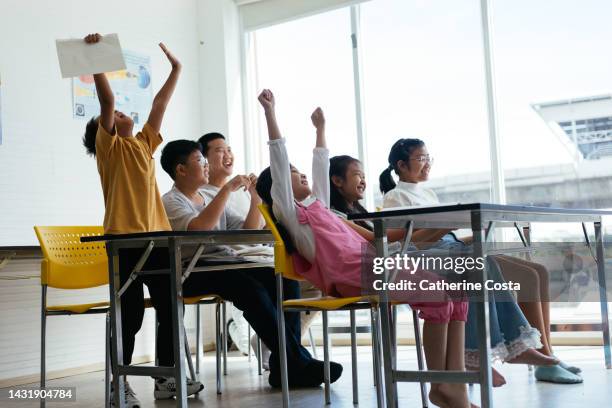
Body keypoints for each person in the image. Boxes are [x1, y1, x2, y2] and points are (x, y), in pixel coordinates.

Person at [255, 89, 475, 408]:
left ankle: (454, 387)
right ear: (277, 189)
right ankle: (440, 386)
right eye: (291, 173)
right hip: (353, 275)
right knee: (441, 294)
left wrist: (320, 129)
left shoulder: (319, 206)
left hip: (375, 266)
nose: (299, 173)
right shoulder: (291, 214)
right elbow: (277, 157)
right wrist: (270, 114)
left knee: (457, 292)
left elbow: (319, 165)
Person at [379, 137, 582, 384]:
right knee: (505, 271)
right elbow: (407, 243)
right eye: (421, 159)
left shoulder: (427, 193)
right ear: (401, 165)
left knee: (537, 271)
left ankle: (544, 353)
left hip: (451, 248)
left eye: (428, 158)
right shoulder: (395, 197)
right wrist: (448, 227)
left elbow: (438, 233)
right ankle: (522, 354)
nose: (427, 164)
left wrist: (464, 232)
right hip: (430, 257)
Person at [81, 34, 202, 406]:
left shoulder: (144, 143)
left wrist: (177, 69)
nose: (120, 113)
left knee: (170, 307)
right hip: (126, 241)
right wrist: (95, 59)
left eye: (119, 115)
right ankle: (120, 382)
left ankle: (166, 378)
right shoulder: (110, 148)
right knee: (129, 315)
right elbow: (107, 99)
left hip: (159, 240)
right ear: (106, 131)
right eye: (115, 117)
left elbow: (160, 102)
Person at [159, 139, 339, 388]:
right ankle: (296, 362)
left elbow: (248, 229)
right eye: (200, 161)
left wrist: (255, 196)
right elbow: (199, 229)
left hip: (224, 264)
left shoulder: (206, 198)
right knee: (248, 288)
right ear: (181, 170)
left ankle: (284, 365)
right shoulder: (170, 201)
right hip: (193, 271)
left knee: (282, 277)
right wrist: (226, 191)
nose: (206, 166)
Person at [197, 132, 272, 365]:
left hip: (251, 254)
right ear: (204, 160)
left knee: (288, 277)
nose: (228, 155)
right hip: (232, 261)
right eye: (220, 150)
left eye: (229, 149)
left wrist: (255, 196)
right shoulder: (201, 194)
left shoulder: (237, 192)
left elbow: (251, 231)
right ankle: (274, 344)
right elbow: (245, 237)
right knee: (273, 277)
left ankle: (273, 344)